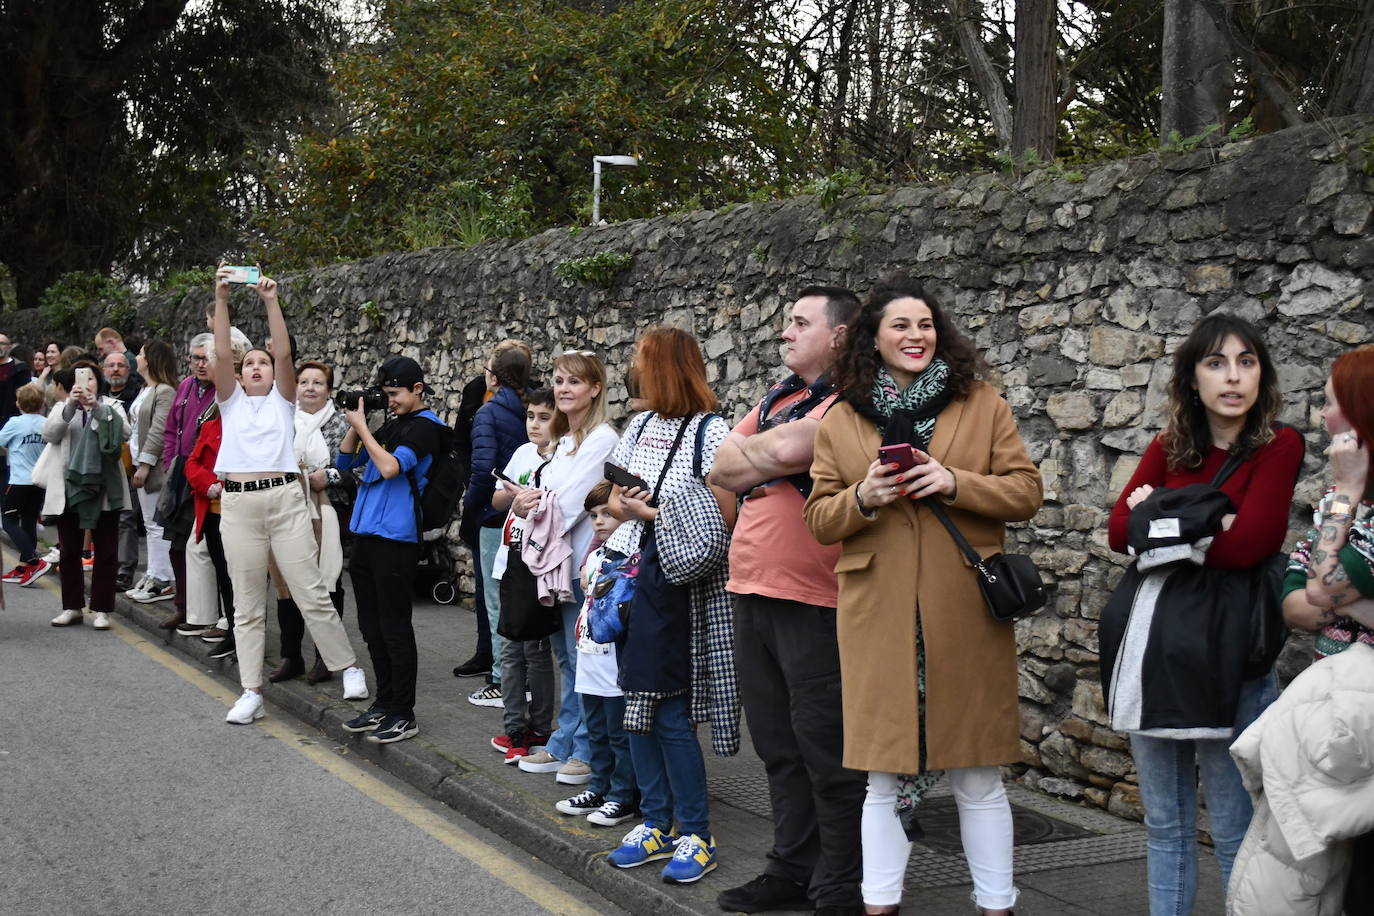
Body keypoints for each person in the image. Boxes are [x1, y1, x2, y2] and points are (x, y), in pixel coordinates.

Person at [803, 279, 1042, 916]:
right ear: (872, 339)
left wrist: (953, 480)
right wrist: (863, 497)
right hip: (878, 617)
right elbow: (819, 519)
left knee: (977, 774)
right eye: (900, 325)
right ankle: (880, 907)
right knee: (881, 775)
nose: (916, 336)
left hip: (963, 612)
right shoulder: (842, 417)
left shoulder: (983, 403)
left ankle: (998, 906)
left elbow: (1025, 491)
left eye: (926, 325)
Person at [1105, 313, 1302, 916]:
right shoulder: (1168, 447)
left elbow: (1254, 543)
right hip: (1157, 654)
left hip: (1234, 654)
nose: (1233, 377)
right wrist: (1207, 518)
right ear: (1192, 379)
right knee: (1166, 828)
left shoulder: (1278, 445)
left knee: (1237, 831)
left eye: (1246, 362)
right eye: (1215, 363)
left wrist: (1160, 514)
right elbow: (1118, 531)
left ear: (1261, 374)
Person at [710, 286, 867, 916]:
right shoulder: (781, 397)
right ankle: (791, 868)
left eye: (800, 323)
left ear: (840, 334)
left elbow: (776, 452)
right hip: (754, 590)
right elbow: (720, 464)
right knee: (776, 745)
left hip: (816, 599)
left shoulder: (854, 399)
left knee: (825, 750)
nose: (785, 332)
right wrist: (766, 454)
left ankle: (842, 883)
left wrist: (763, 455)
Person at [601, 328, 735, 884]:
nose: (636, 373)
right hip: (630, 577)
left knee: (671, 710)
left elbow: (721, 521)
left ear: (667, 369)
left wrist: (647, 515)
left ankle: (695, 833)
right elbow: (611, 497)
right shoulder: (639, 425)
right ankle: (656, 821)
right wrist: (626, 506)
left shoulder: (714, 431)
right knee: (634, 700)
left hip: (676, 584)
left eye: (643, 363)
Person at [209, 266, 368, 725]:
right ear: (240, 375)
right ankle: (250, 691)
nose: (258, 365)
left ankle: (347, 667)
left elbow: (284, 353)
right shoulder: (230, 400)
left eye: (263, 362)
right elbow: (221, 352)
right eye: (249, 363)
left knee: (312, 591)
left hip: (284, 500)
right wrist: (221, 298)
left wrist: (270, 300)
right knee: (246, 604)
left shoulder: (283, 400)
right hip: (239, 504)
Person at [514, 350, 619, 786]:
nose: (562, 389)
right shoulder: (565, 442)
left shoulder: (601, 439)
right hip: (554, 566)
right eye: (558, 380)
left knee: (581, 660)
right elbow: (537, 494)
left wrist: (531, 502)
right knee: (566, 657)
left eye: (573, 382)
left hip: (578, 566)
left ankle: (585, 750)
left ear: (595, 388)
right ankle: (566, 740)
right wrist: (525, 500)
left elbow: (572, 502)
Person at [335, 355, 447, 743]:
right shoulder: (391, 424)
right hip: (365, 535)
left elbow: (390, 469)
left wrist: (364, 428)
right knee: (371, 626)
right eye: (385, 394)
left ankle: (404, 712)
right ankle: (383, 704)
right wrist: (355, 420)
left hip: (396, 539)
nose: (391, 400)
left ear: (418, 389)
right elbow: (344, 460)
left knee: (395, 627)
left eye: (395, 393)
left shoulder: (426, 429)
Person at [552, 479, 640, 827]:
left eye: (608, 513)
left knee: (620, 735)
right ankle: (598, 787)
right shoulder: (595, 557)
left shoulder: (630, 560)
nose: (600, 521)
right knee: (598, 730)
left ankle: (623, 795)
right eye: (593, 515)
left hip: (614, 666)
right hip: (590, 659)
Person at [453, 338, 535, 679]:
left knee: (494, 598)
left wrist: (472, 505)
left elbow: (483, 468)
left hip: (495, 515)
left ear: (495, 376)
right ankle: (518, 672)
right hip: (527, 513)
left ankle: (502, 677)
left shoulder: (489, 412)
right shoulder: (534, 408)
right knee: (520, 598)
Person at [269, 359, 353, 684]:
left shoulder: (343, 424)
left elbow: (357, 469)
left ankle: (326, 658)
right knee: (286, 582)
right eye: (304, 382)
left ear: (328, 389)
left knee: (325, 583)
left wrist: (329, 476)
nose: (310, 388)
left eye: (318, 383)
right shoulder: (282, 420)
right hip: (286, 509)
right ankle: (292, 656)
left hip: (327, 510)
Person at [490, 387, 559, 763]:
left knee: (536, 651)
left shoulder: (565, 457)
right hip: (510, 563)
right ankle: (514, 727)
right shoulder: (521, 453)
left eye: (543, 417)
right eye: (530, 416)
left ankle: (541, 727)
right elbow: (497, 500)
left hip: (539, 566)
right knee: (510, 650)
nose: (534, 424)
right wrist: (513, 498)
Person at [41, 361, 132, 631]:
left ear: (98, 382)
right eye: (81, 379)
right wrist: (70, 405)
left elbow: (124, 433)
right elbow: (50, 434)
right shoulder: (62, 407)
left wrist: (98, 409)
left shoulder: (112, 406)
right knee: (68, 550)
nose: (86, 384)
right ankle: (72, 606)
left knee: (105, 551)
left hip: (103, 488)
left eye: (91, 378)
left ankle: (102, 609)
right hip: (69, 487)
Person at [161, 332, 220, 634]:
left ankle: (211, 614)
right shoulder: (184, 387)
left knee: (205, 548)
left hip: (208, 475)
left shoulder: (224, 392)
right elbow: (172, 430)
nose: (200, 364)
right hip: (181, 472)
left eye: (206, 357)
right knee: (176, 545)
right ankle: (183, 607)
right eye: (195, 358)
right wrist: (170, 461)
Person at [124, 341, 177, 605]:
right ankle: (154, 572)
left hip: (153, 469)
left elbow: (158, 430)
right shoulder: (147, 389)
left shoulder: (164, 391)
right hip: (138, 462)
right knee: (150, 523)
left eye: (142, 354)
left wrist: (144, 465)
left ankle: (164, 578)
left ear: (152, 359)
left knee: (157, 525)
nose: (137, 357)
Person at [0, 383, 53, 586]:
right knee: (29, 521)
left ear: (17, 403)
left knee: (9, 521)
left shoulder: (15, 422)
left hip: (19, 480)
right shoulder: (45, 422)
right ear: (41, 403)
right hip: (39, 481)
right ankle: (24, 567)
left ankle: (33, 560)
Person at [0, 331, 34, 510]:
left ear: (9, 346)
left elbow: (25, 394)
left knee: (10, 466)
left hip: (13, 422)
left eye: (2, 343)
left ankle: (9, 507)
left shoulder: (20, 369)